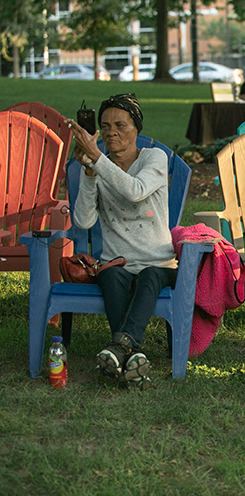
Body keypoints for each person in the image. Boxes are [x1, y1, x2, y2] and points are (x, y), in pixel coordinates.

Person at [68, 94, 178, 390]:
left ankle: (119, 348)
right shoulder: (97, 168)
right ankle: (132, 356)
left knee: (151, 275)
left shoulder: (154, 158)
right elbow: (83, 221)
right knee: (111, 273)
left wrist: (98, 159)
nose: (111, 132)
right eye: (105, 126)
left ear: (136, 129)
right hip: (118, 262)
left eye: (120, 125)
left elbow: (134, 190)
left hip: (159, 262)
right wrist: (90, 172)